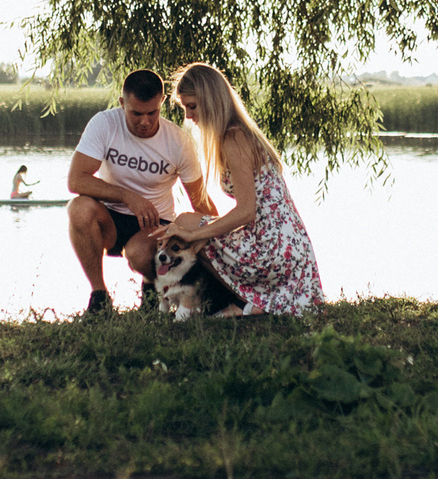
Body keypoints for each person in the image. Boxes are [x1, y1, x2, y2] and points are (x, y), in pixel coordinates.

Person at [152, 62, 325, 316]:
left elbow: (246, 212)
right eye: (184, 108)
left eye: (192, 106)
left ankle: (242, 303)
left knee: (187, 223)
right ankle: (209, 298)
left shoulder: (234, 138)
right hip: (286, 244)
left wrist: (193, 234)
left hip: (273, 250)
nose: (188, 116)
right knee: (190, 227)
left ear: (210, 101)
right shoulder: (239, 133)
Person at [67, 69, 216, 314]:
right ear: (122, 103)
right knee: (78, 208)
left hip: (155, 225)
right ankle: (99, 298)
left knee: (138, 253)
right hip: (111, 220)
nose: (145, 122)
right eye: (136, 113)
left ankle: (152, 291)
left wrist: (228, 241)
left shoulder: (178, 142)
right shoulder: (104, 124)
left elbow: (200, 202)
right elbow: (76, 180)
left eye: (152, 113)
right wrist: (128, 197)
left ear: (162, 102)